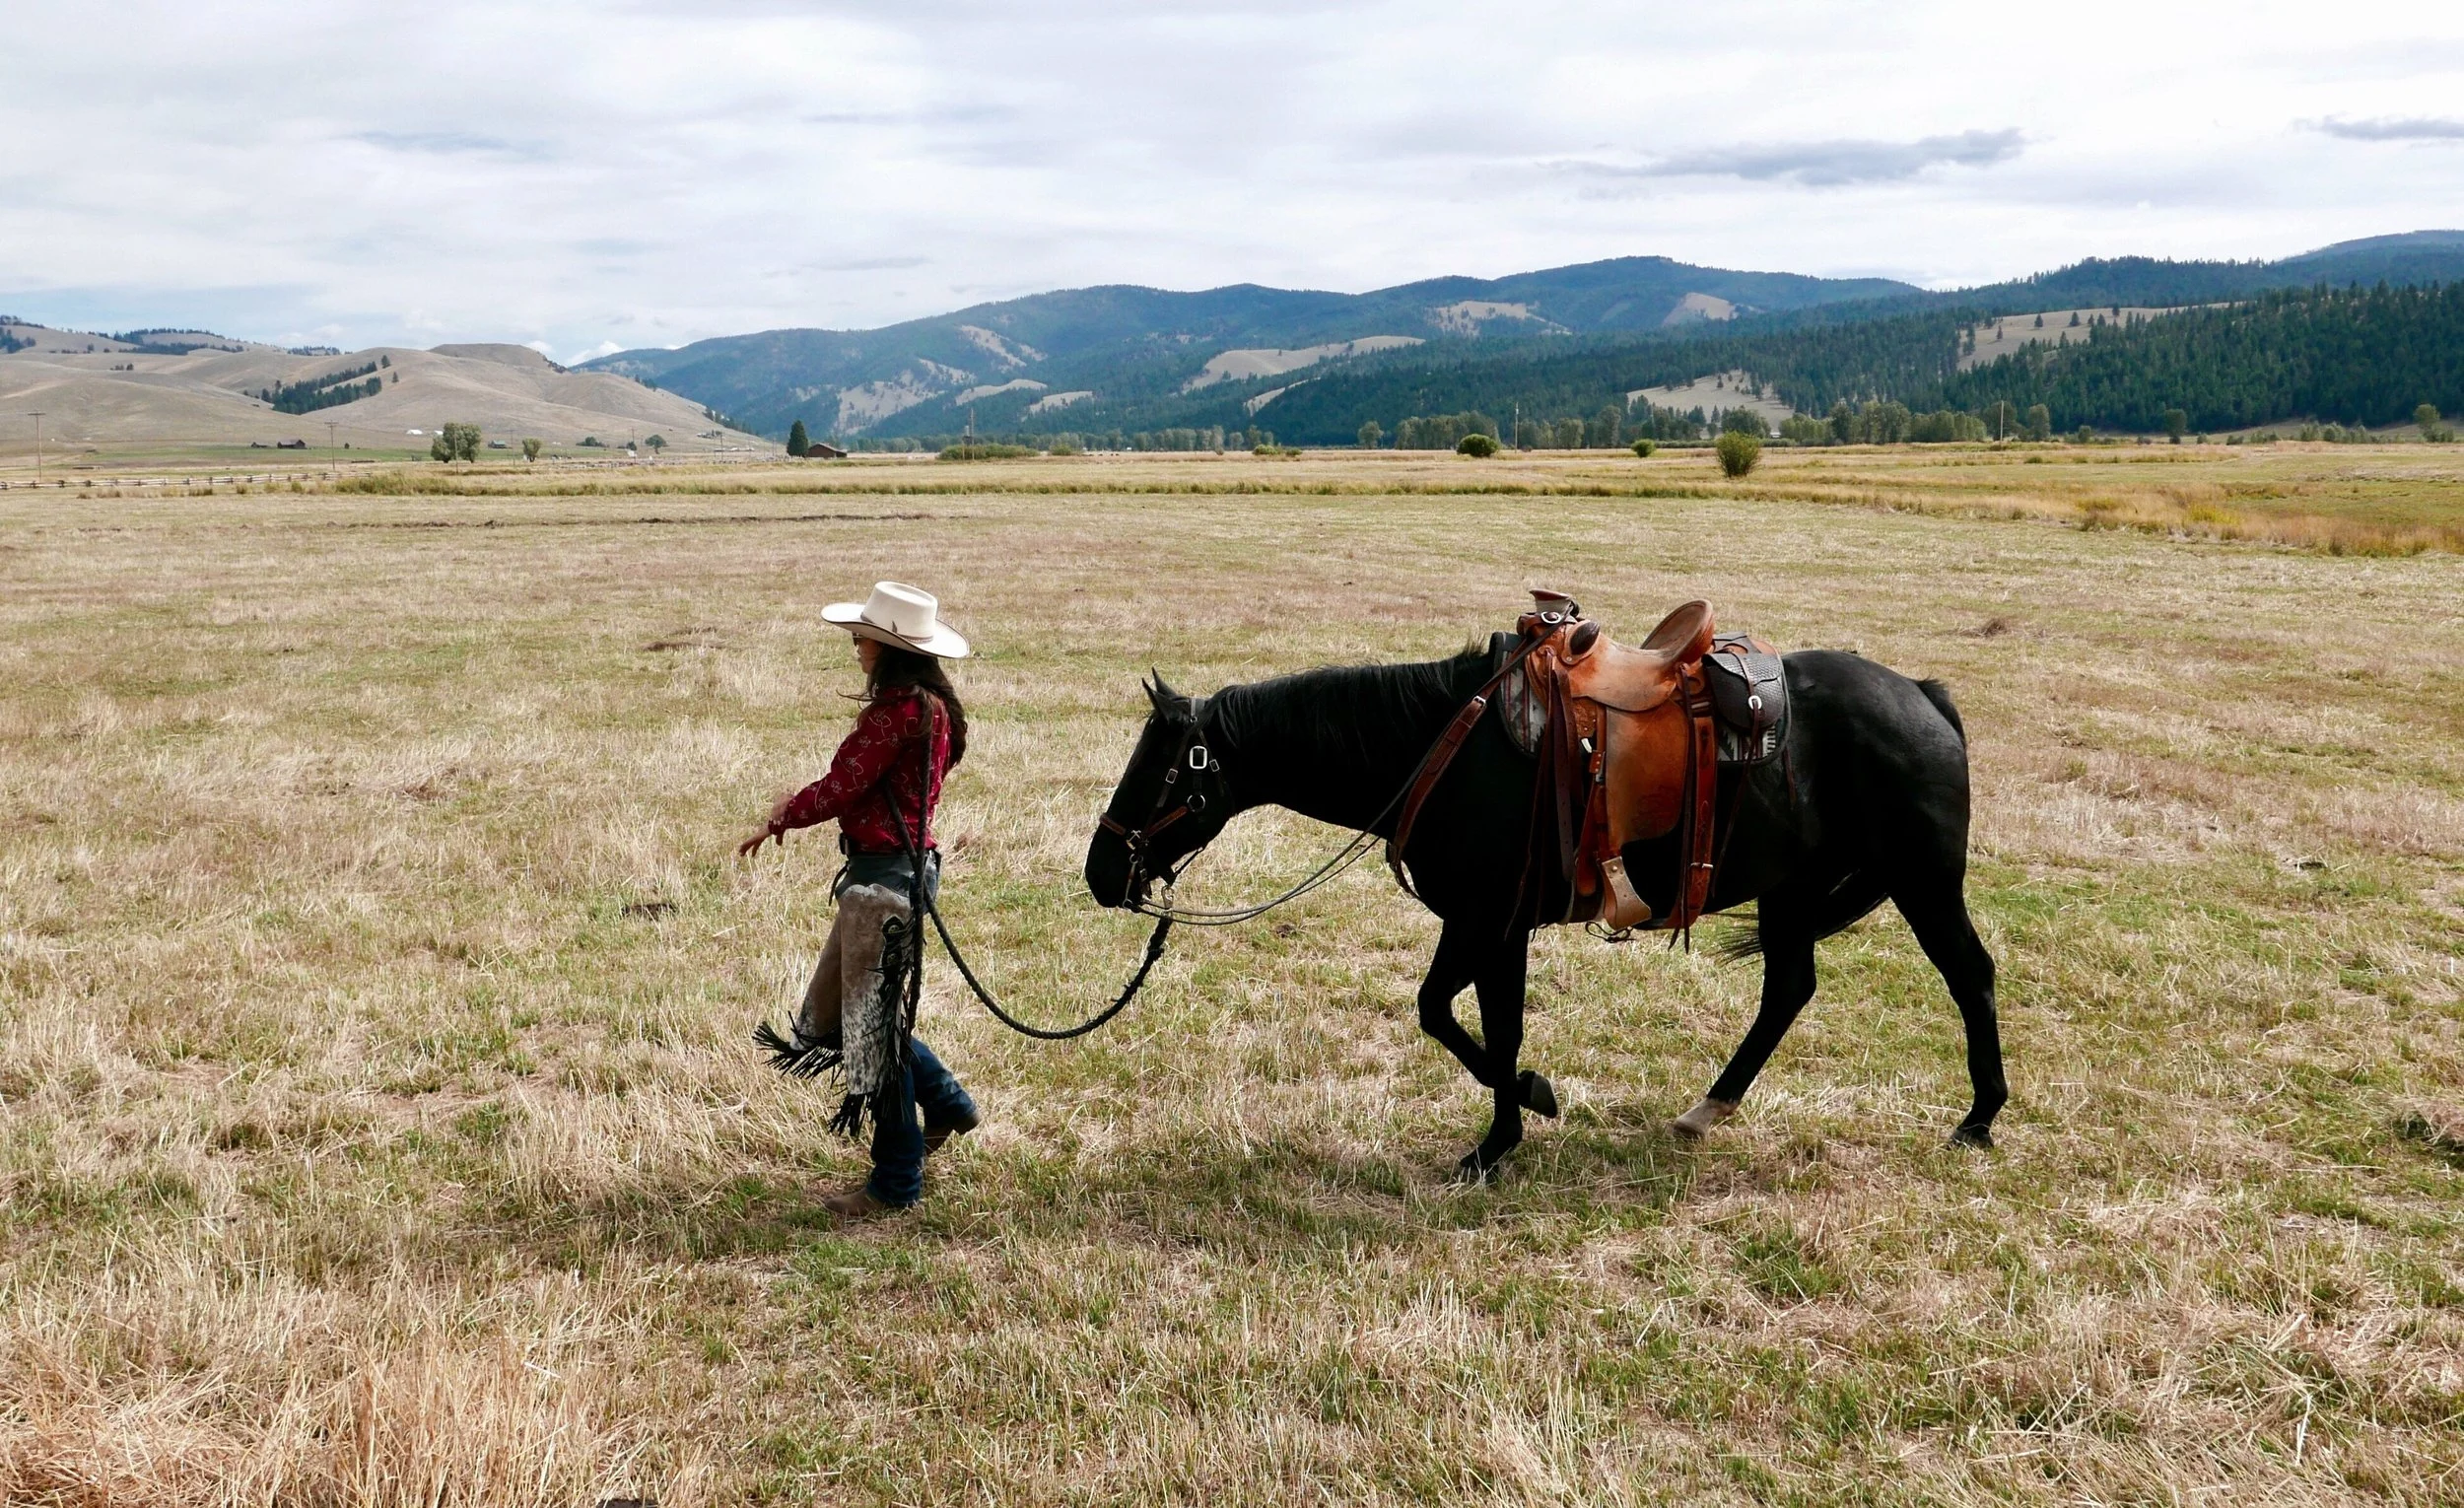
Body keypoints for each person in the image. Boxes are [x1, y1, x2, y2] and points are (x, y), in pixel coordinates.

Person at [739, 582, 980, 1218]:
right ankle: (948, 1104)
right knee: (872, 1020)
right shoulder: (936, 710)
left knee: (872, 1032)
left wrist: (782, 817)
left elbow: (844, 784)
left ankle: (896, 1181)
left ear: (889, 648)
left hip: (882, 883)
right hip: (908, 872)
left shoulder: (896, 714)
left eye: (863, 637)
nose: (856, 645)